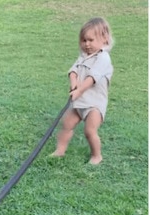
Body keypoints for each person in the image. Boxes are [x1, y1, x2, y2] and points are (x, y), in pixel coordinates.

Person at [52, 17, 114, 165]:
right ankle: (60, 151)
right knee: (66, 124)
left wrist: (79, 91)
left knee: (89, 131)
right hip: (79, 102)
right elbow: (73, 71)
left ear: (104, 39)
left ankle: (96, 155)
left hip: (95, 104)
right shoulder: (83, 56)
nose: (86, 44)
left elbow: (92, 78)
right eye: (84, 40)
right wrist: (74, 84)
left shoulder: (103, 58)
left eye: (91, 40)